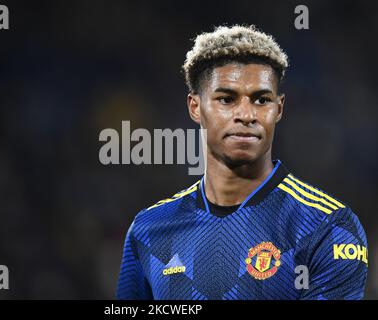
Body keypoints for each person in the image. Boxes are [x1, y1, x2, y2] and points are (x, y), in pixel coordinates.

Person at [116, 25, 368, 300]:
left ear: (279, 109)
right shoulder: (149, 229)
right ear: (195, 107)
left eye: (261, 99)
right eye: (226, 99)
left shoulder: (327, 227)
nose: (246, 114)